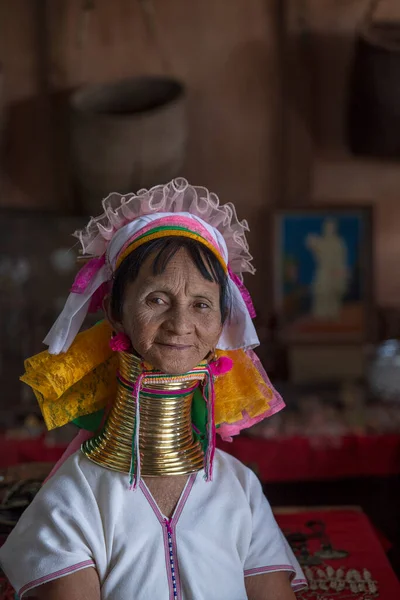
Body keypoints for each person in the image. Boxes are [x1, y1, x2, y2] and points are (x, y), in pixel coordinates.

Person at [0, 179, 306, 599]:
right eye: (157, 299)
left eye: (201, 304)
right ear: (114, 311)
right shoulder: (75, 498)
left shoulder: (239, 489)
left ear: (222, 322)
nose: (181, 324)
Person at [306, 218, 348, 320]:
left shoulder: (338, 243)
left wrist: (340, 273)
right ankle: (320, 313)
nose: (328, 229)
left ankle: (332, 312)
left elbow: (341, 259)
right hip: (323, 271)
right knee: (321, 292)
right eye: (327, 227)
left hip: (334, 271)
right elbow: (311, 242)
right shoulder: (322, 242)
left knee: (333, 294)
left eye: (331, 227)